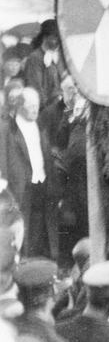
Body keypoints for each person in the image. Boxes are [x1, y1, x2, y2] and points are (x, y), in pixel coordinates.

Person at [0, 87, 52, 258]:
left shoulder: (40, 127)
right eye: (31, 106)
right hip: (19, 185)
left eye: (37, 105)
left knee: (37, 225)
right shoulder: (8, 129)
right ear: (20, 106)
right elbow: (2, 157)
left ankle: (33, 260)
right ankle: (21, 261)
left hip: (40, 181)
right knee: (21, 226)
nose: (35, 109)